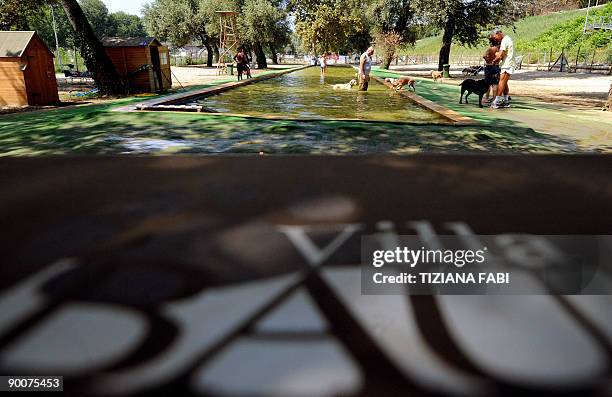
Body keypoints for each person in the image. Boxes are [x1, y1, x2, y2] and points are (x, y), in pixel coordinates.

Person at [490, 29, 514, 109]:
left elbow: (500, 55)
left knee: (501, 82)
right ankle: (506, 101)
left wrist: (493, 61)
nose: (495, 39)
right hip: (508, 63)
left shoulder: (504, 40)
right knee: (505, 83)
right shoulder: (508, 39)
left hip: (507, 64)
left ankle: (496, 101)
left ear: (498, 34)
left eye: (495, 37)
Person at [483, 37, 501, 103]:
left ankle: (486, 98)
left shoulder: (490, 49)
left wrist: (488, 60)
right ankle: (494, 99)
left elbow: (484, 55)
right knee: (495, 84)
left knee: (488, 83)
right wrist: (495, 61)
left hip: (488, 67)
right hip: (496, 67)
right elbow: (500, 57)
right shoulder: (498, 50)